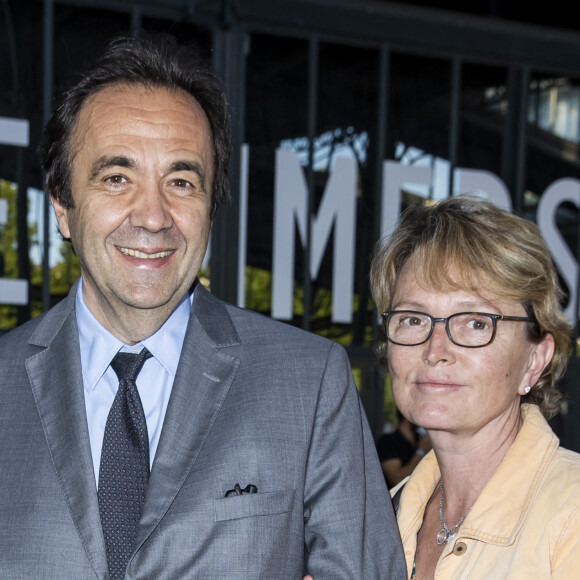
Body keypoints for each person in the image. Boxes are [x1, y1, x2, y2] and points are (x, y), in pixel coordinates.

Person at [0, 35, 405, 579]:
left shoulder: (308, 386)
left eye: (182, 181)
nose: (152, 215)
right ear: (63, 207)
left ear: (211, 209)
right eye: (117, 178)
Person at [369, 195, 580, 578]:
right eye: (414, 319)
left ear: (534, 360)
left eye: (476, 323)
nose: (435, 351)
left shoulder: (572, 515)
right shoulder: (382, 517)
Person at [376, 410, 432, 488]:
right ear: (407, 416)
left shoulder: (420, 441)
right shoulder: (388, 441)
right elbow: (397, 480)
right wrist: (421, 451)